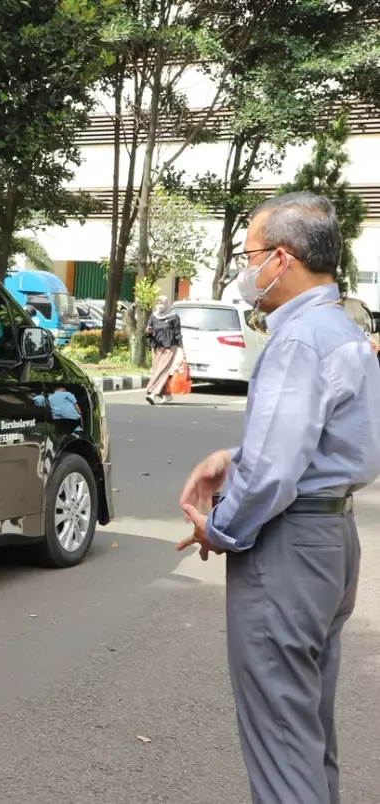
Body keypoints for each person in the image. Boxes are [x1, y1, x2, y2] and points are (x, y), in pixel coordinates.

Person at [178, 192, 380, 804]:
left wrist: (220, 526)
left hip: (288, 547)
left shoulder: (297, 341)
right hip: (330, 540)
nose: (244, 269)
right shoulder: (343, 328)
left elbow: (270, 475)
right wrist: (236, 458)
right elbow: (336, 443)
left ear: (282, 258)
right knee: (306, 725)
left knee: (280, 737)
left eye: (249, 255)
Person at [145, 295, 182, 405]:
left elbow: (178, 334)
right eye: (158, 303)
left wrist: (182, 350)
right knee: (158, 370)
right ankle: (166, 395)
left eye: (162, 303)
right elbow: (148, 333)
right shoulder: (153, 316)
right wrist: (149, 332)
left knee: (162, 370)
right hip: (157, 346)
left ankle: (152, 393)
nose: (160, 306)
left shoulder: (174, 317)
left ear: (167, 304)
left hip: (170, 346)